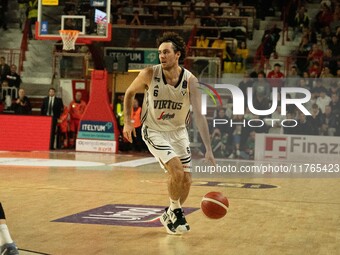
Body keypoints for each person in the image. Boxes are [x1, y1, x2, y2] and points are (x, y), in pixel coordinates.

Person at [123, 32, 215, 235]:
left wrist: (208, 148)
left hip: (179, 132)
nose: (161, 56)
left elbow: (199, 116)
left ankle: (170, 213)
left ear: (177, 54)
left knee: (187, 179)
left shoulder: (190, 81)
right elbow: (129, 93)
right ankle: (176, 212)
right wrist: (128, 123)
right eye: (159, 53)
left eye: (166, 52)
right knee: (177, 171)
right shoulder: (149, 73)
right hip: (154, 130)